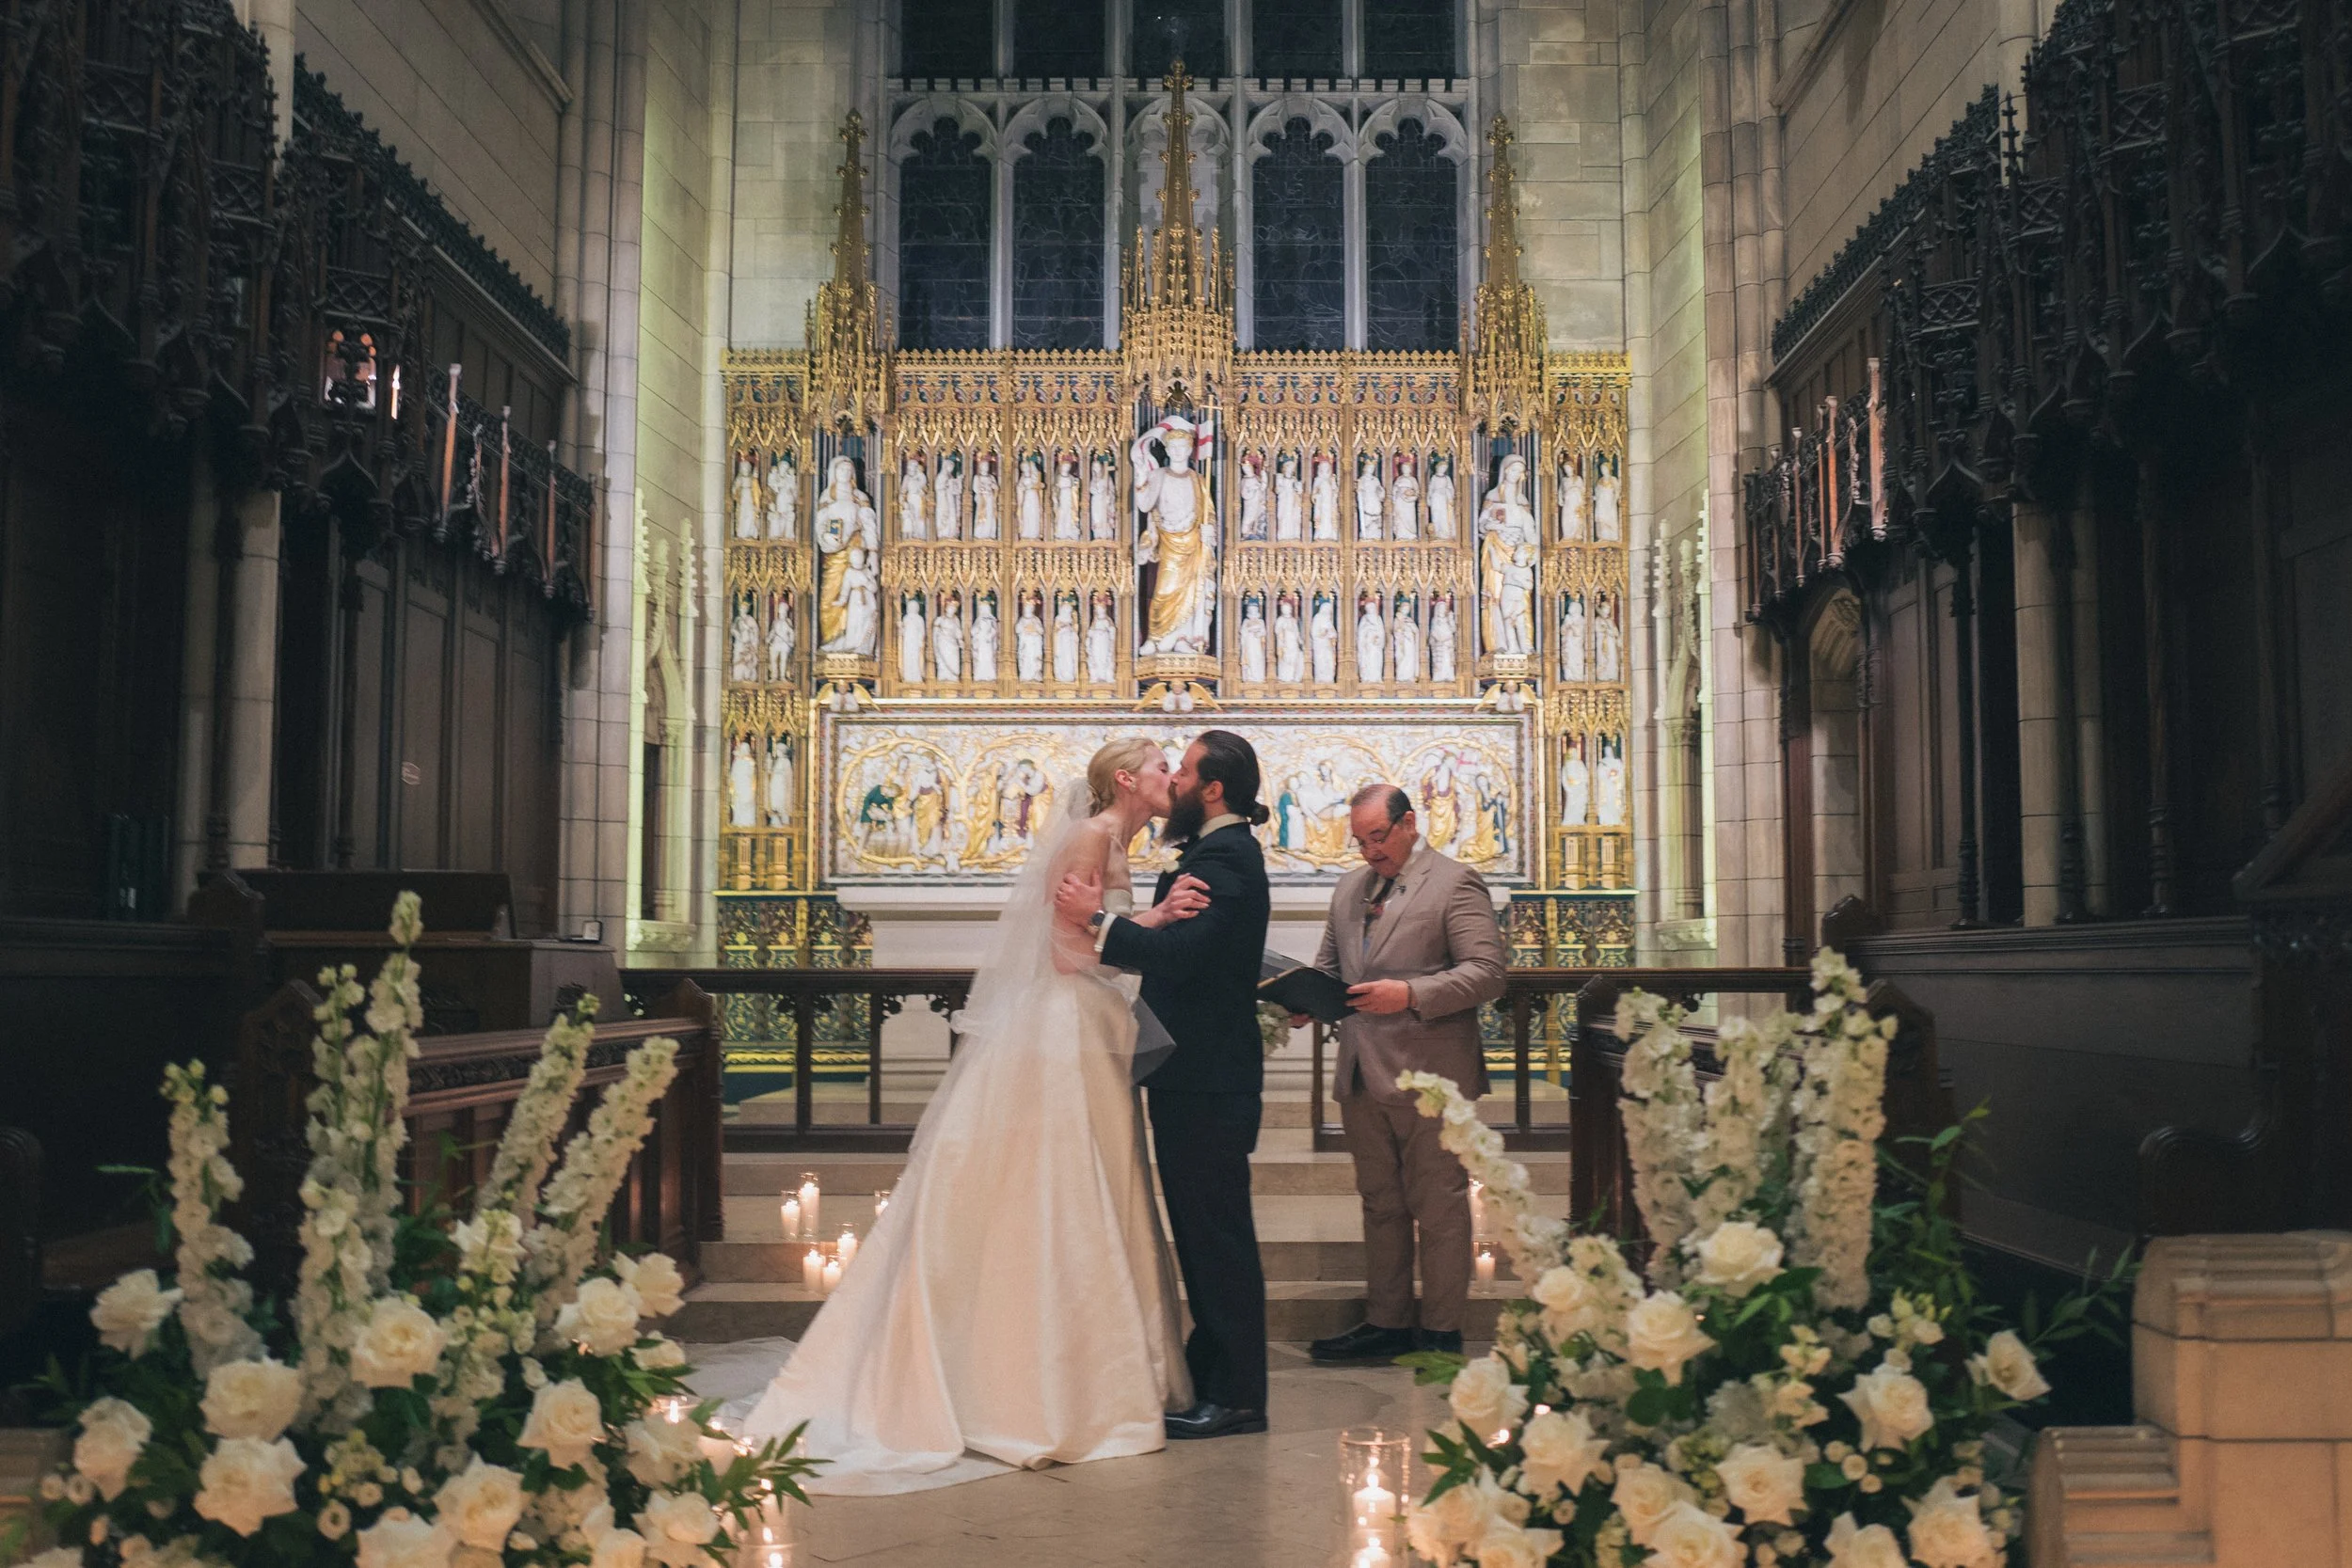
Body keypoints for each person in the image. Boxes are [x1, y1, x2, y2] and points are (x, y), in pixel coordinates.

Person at [740, 740, 1212, 1492]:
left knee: (1081, 1185)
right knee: (1061, 1190)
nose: (1171, 779)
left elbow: (1093, 938)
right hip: (1062, 1034)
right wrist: (1147, 926)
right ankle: (1041, 1388)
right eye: (1161, 767)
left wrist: (1144, 919)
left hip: (1084, 1030)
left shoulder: (1112, 838)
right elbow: (1067, 954)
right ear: (1126, 779)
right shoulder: (1092, 836)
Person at [1055, 731, 1275, 1439]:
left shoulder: (1225, 854)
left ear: (1213, 790)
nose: (1173, 780)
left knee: (1216, 1235)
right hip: (1198, 1074)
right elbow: (1217, 949)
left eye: (1183, 771)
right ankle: (1214, 1375)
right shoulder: (1216, 851)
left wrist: (1094, 919)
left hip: (1208, 1079)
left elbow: (1184, 953)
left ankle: (1240, 1394)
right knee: (1204, 1232)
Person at [1296, 784, 1507, 1364]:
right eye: (1360, 841)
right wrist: (1305, 998)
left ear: (1410, 822)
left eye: (1378, 837)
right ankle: (1386, 1321)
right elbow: (1331, 970)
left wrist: (1410, 993)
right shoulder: (1349, 889)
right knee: (1380, 1202)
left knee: (1437, 1204)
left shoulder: (1454, 881)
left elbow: (1487, 972)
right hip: (1364, 1071)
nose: (1369, 852)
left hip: (1432, 1074)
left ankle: (1441, 1331)